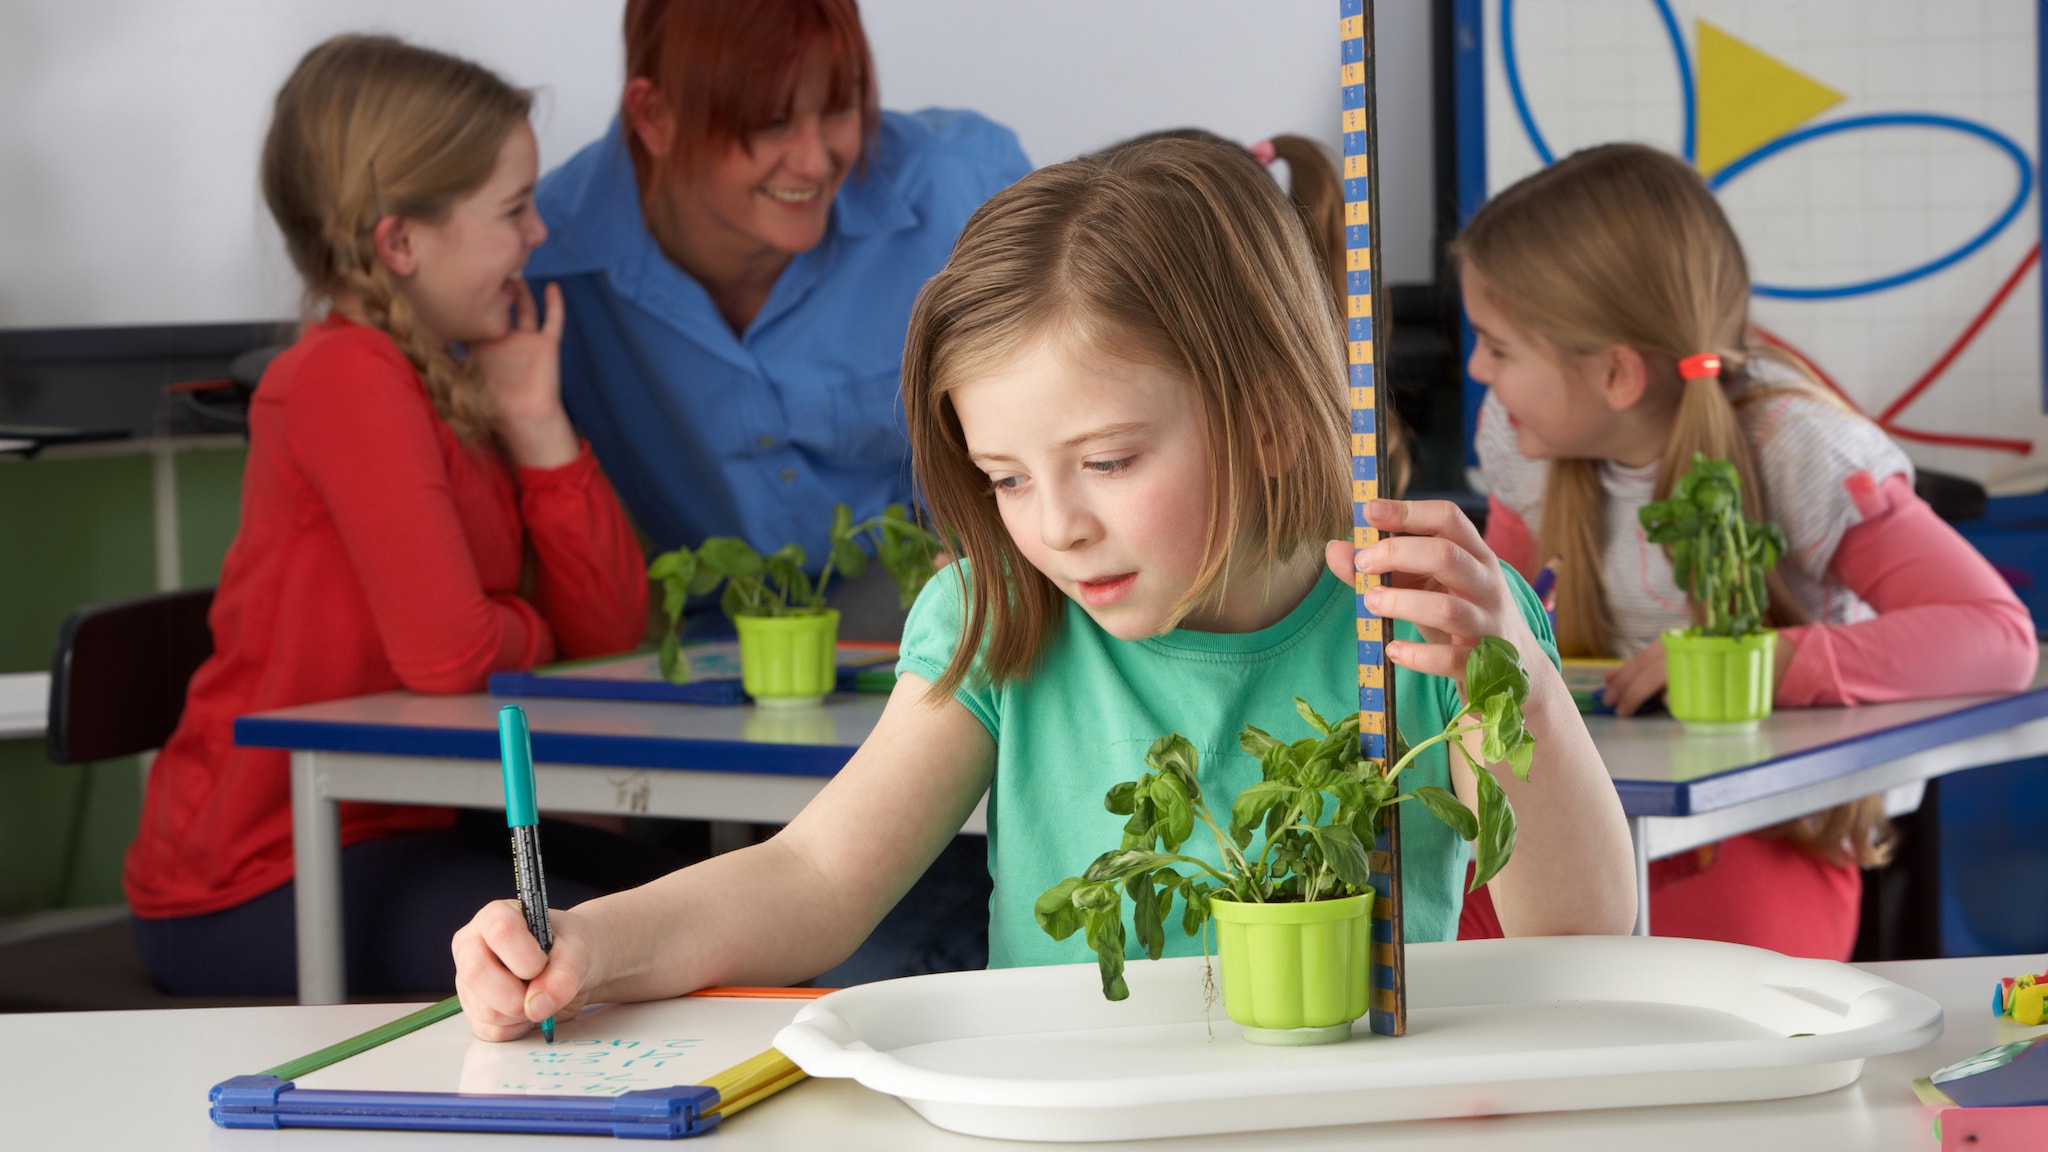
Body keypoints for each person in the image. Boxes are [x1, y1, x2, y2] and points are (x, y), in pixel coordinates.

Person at [451, 138, 1638, 1039]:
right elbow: (813, 879)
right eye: (1005, 477)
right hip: (1060, 1114)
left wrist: (1513, 683)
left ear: (1275, 421)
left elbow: (1588, 943)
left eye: (1110, 462)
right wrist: (587, 948)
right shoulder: (1000, 609)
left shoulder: (1421, 614)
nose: (1056, 527)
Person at [123, 35, 670, 996]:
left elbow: (609, 634)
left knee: (690, 915)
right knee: (613, 965)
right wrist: (519, 626)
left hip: (400, 830)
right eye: (512, 210)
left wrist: (536, 419)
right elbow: (450, 656)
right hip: (261, 879)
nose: (539, 235)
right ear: (401, 241)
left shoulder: (447, 383)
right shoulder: (346, 375)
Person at [1455, 142, 2038, 959]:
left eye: (1500, 347)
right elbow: (1507, 633)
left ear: (1618, 375)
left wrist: (1747, 663)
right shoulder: (1526, 438)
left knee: (1615, 992)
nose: (1478, 369)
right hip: (1593, 820)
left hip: (1770, 840)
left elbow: (1999, 639)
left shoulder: (1797, 447)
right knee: (1456, 946)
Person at [525, 0, 1030, 604]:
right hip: (697, 650)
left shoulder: (968, 190)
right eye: (769, 122)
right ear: (654, 116)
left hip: (959, 611)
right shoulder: (536, 254)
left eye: (841, 108)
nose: (816, 161)